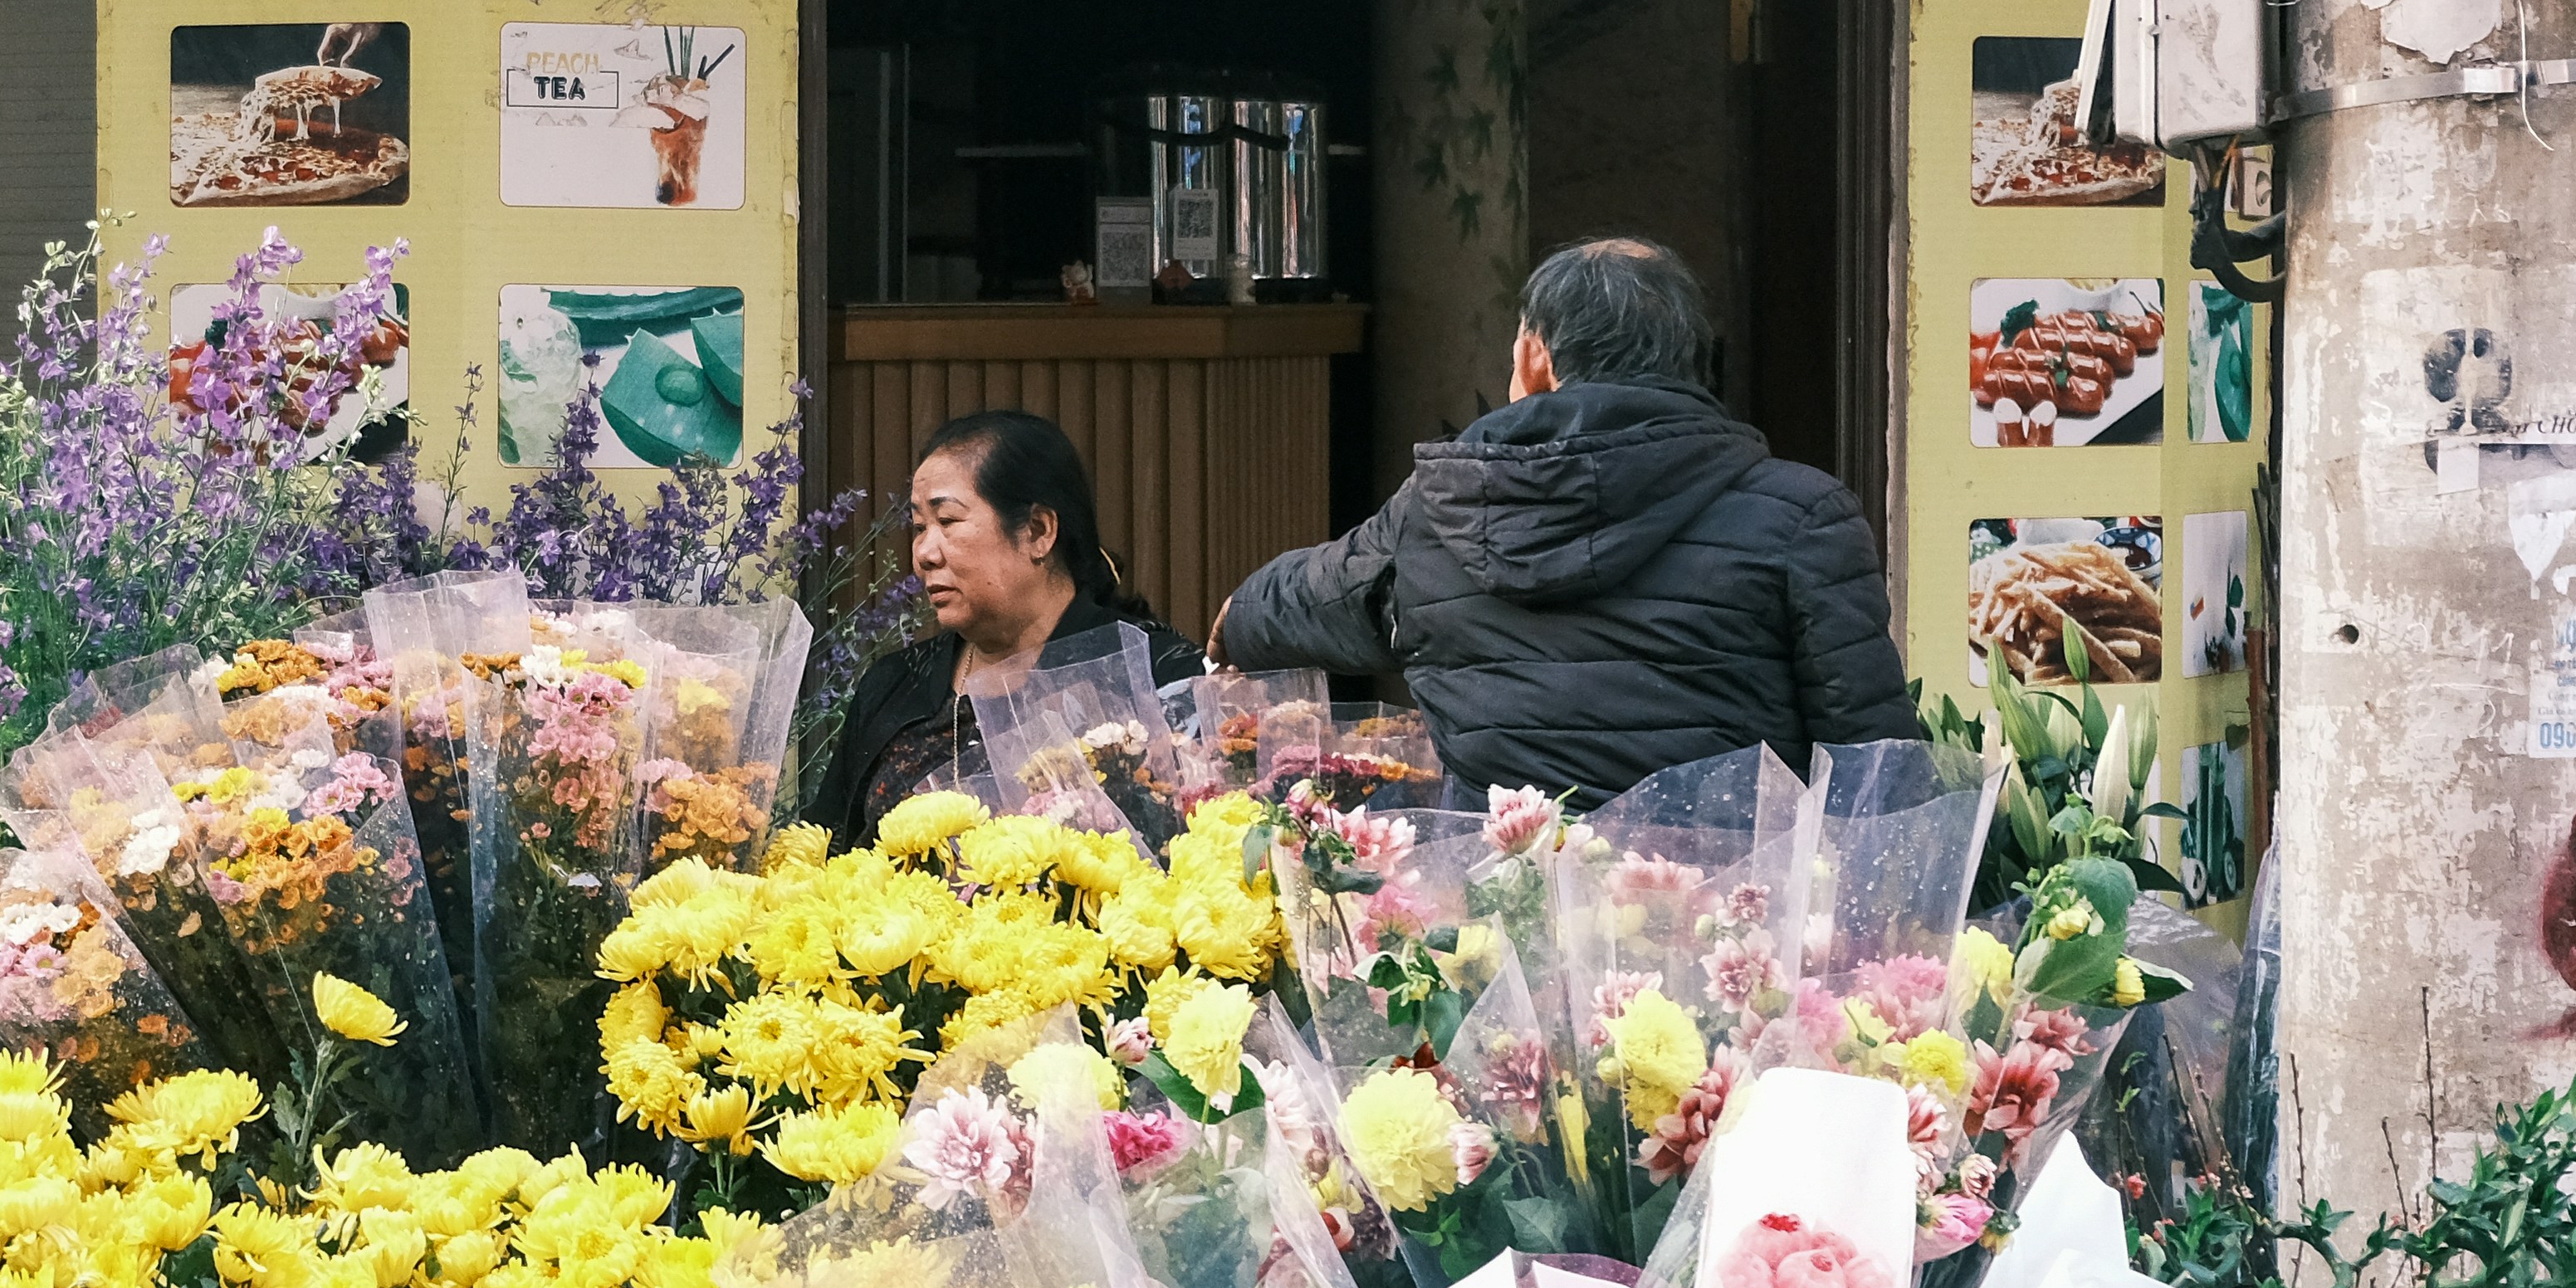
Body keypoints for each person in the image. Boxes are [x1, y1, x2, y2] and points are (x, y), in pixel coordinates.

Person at [1215, 236, 1914, 798]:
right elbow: (1879, 773)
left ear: (1535, 357)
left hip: (1501, 925)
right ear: (1691, 363)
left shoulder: (1435, 510)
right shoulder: (1805, 516)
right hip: (1734, 931)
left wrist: (1236, 619)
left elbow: (1313, 595)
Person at [809, 409, 1205, 845]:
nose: (924, 553)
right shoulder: (893, 686)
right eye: (920, 527)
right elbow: (823, 850)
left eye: (948, 522)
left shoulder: (1152, 672)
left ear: (1038, 531)